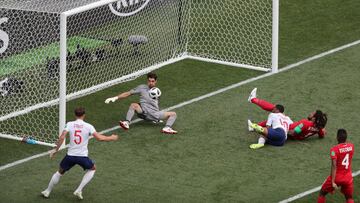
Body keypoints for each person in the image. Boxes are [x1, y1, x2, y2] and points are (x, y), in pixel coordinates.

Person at [41, 107, 118, 199]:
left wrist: (55, 150)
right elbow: (100, 138)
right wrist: (112, 138)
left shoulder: (69, 124)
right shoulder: (89, 126)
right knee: (93, 169)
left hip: (70, 156)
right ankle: (79, 190)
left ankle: (47, 191)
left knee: (59, 172)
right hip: (82, 157)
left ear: (75, 115)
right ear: (84, 115)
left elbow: (62, 138)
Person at [105, 72, 177, 134]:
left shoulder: (157, 91)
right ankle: (126, 123)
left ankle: (167, 128)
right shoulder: (141, 88)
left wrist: (157, 118)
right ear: (147, 81)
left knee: (173, 114)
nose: (151, 83)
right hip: (143, 113)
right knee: (133, 105)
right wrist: (116, 97)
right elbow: (128, 93)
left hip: (154, 115)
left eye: (152, 81)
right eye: (149, 81)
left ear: (155, 81)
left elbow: (156, 105)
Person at [248, 87, 327, 140]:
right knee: (277, 116)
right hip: (292, 131)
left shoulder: (305, 123)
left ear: (314, 118)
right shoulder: (318, 128)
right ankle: (254, 126)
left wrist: (283, 129)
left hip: (286, 129)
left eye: (313, 113)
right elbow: (322, 135)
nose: (310, 113)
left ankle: (253, 99)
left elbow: (292, 133)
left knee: (276, 110)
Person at [317, 129, 354, 203]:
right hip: (348, 177)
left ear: (337, 137)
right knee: (349, 198)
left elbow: (334, 165)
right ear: (346, 138)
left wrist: (333, 182)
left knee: (322, 193)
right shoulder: (351, 146)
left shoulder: (334, 150)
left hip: (337, 177)